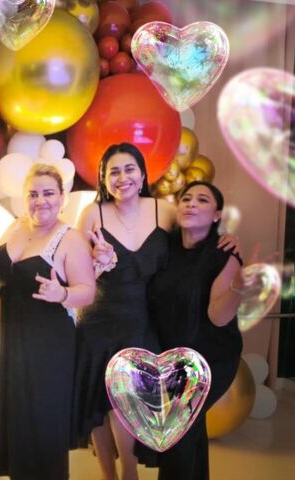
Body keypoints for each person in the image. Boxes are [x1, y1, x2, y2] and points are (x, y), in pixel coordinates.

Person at [74, 143, 175, 480]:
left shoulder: (165, 211)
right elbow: (76, 272)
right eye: (113, 172)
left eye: (129, 169)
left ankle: (128, 471)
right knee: (99, 404)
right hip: (98, 320)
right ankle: (109, 475)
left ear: (143, 174)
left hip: (143, 321)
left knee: (128, 401)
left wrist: (227, 241)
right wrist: (96, 264)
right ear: (104, 179)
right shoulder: (93, 215)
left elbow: (193, 246)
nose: (122, 177)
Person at [0, 164, 96, 479]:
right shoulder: (16, 227)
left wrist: (62, 293)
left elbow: (87, 291)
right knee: (19, 418)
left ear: (62, 197)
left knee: (44, 422)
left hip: (49, 344)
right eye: (33, 194)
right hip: (13, 340)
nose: (40, 201)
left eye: (48, 193)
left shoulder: (71, 238)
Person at [148, 181, 244, 480]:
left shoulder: (225, 253)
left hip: (211, 358)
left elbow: (218, 316)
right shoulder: (165, 247)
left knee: (177, 432)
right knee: (189, 432)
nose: (191, 203)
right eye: (186, 198)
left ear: (216, 215)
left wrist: (239, 287)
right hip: (172, 356)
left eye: (202, 200)